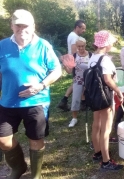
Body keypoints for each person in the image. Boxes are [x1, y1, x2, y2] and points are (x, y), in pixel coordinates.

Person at [0, 9, 62, 178]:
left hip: (36, 101)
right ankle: (19, 167)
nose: (22, 29)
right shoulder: (2, 45)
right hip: (8, 101)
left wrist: (41, 85)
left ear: (33, 26)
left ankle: (36, 175)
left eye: (25, 26)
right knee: (3, 140)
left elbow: (57, 70)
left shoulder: (43, 46)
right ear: (12, 26)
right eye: (18, 25)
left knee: (35, 140)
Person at [88, 30, 124, 170]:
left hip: (94, 96)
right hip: (105, 97)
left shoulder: (92, 57)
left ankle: (97, 152)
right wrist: (118, 91)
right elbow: (108, 80)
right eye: (111, 42)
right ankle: (106, 161)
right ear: (106, 43)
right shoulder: (105, 60)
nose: (112, 44)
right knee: (106, 130)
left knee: (96, 124)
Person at [57, 20, 86, 111]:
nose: (84, 30)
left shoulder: (72, 35)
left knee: (78, 82)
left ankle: (65, 101)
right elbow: (74, 51)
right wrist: (82, 59)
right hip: (75, 62)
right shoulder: (74, 36)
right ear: (77, 27)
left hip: (73, 62)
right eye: (82, 28)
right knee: (79, 82)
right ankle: (81, 103)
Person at [63, 37, 92, 127]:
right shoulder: (74, 56)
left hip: (89, 80)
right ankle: (74, 118)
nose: (81, 48)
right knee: (75, 99)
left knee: (93, 97)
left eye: (82, 46)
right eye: (79, 46)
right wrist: (65, 65)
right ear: (76, 46)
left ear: (85, 45)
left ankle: (97, 115)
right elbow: (69, 71)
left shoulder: (91, 55)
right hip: (78, 80)